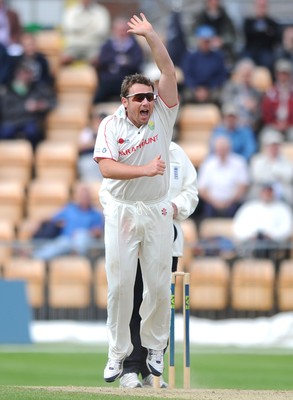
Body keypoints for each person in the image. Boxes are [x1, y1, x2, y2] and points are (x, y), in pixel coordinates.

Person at [93, 12, 179, 383]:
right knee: (120, 287)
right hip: (122, 209)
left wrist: (150, 36)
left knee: (159, 285)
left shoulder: (162, 114)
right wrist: (144, 170)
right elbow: (107, 168)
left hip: (156, 208)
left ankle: (155, 346)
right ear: (125, 101)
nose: (147, 102)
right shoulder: (110, 125)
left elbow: (169, 72)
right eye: (140, 98)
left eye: (149, 96)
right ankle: (117, 354)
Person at [118, 141, 199, 389]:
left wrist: (176, 206)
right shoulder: (131, 150)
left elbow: (191, 192)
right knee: (133, 302)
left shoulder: (176, 154)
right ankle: (130, 368)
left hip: (167, 240)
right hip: (135, 239)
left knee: (160, 305)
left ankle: (154, 370)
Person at [32, 184, 104, 261]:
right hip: (67, 240)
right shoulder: (70, 209)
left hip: (84, 240)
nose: (84, 199)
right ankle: (34, 257)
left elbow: (98, 232)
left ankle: (76, 259)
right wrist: (39, 222)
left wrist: (87, 233)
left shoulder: (95, 214)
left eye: (86, 197)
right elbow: (52, 218)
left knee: (81, 236)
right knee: (59, 244)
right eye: (82, 197)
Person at [0, 60, 56, 149]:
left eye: (29, 73)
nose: (28, 76)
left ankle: (32, 159)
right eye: (25, 73)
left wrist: (40, 105)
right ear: (18, 73)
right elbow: (5, 111)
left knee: (33, 132)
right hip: (11, 122)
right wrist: (25, 108)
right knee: (5, 132)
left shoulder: (37, 88)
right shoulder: (8, 90)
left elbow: (53, 102)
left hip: (28, 121)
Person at [233, 183, 293, 262]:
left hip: (274, 244)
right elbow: (238, 227)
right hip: (251, 242)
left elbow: (287, 228)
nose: (267, 194)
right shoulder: (249, 207)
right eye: (265, 191)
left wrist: (271, 235)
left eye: (269, 191)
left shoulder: (283, 208)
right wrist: (251, 236)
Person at [93, 16, 144, 104]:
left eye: (124, 30)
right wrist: (118, 60)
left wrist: (122, 63)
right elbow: (102, 61)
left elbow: (136, 63)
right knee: (97, 99)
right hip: (108, 81)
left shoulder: (134, 45)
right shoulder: (108, 45)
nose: (122, 33)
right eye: (119, 30)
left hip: (128, 81)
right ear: (114, 30)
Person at [197, 135, 249, 218]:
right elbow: (202, 189)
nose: (222, 151)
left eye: (224, 148)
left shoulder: (239, 162)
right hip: (211, 203)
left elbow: (243, 186)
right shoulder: (208, 164)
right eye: (219, 149)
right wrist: (215, 202)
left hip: (234, 203)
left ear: (229, 148)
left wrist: (230, 201)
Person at [181, 25, 227, 105]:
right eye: (204, 41)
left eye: (208, 41)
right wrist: (196, 88)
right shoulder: (190, 57)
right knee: (183, 96)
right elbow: (187, 74)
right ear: (199, 40)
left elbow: (221, 75)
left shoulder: (218, 57)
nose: (206, 43)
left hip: (212, 89)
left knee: (221, 96)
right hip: (194, 89)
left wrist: (207, 89)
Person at [249, 127, 293, 206]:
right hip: (262, 190)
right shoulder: (257, 160)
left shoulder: (287, 161)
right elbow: (257, 177)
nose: (273, 148)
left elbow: (289, 177)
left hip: (282, 192)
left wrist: (271, 171)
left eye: (276, 146)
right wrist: (277, 175)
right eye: (271, 146)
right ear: (266, 147)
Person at [60, 0, 111, 66]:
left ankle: (96, 76)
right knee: (63, 59)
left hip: (94, 46)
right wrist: (91, 28)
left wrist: (79, 31)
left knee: (98, 61)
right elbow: (68, 28)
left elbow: (102, 31)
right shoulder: (71, 11)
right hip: (74, 46)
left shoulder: (101, 11)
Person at [191, 0, 237, 69]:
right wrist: (205, 42)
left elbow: (232, 36)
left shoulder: (226, 17)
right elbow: (192, 35)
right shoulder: (200, 17)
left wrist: (222, 40)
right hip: (203, 51)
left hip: (223, 51)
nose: (213, 2)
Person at [220, 58, 263, 131]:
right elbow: (224, 101)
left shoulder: (257, 92)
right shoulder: (230, 87)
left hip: (249, 127)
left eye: (249, 76)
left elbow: (259, 114)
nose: (246, 79)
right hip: (232, 125)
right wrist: (242, 101)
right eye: (244, 75)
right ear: (239, 75)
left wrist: (254, 110)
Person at [241, 0, 281, 74]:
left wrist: (258, 32)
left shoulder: (272, 23)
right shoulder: (248, 22)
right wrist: (266, 32)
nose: (261, 9)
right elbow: (248, 35)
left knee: (268, 61)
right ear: (255, 7)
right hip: (251, 50)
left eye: (263, 6)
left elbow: (276, 38)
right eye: (259, 6)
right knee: (245, 63)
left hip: (267, 51)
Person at [261, 58, 293, 141]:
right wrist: (274, 124)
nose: (283, 76)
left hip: (290, 125)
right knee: (266, 136)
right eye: (281, 74)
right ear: (277, 75)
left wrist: (288, 124)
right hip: (273, 125)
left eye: (286, 74)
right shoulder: (271, 91)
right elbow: (266, 111)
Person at [78, 111, 107, 182]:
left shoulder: (108, 132)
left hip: (104, 159)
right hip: (88, 157)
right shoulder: (87, 132)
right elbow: (81, 147)